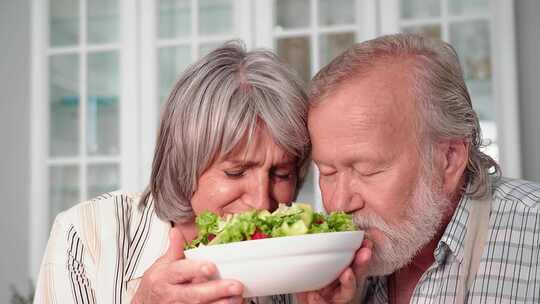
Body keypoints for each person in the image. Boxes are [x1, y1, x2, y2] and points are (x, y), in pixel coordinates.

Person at [34, 41, 311, 304]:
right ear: (183, 164)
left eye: (281, 174)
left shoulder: (302, 261)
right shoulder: (84, 236)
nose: (262, 203)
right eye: (236, 172)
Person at [300, 33, 540, 303]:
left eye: (367, 170)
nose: (339, 203)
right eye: (328, 172)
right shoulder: (316, 270)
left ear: (448, 159)